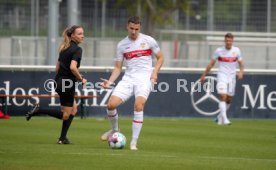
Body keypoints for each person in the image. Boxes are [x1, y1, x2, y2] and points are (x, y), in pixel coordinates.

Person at [100, 16, 164, 150]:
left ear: (139, 27)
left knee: (138, 105)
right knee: (111, 105)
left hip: (145, 78)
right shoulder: (122, 45)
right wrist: (110, 82)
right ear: (127, 27)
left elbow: (160, 58)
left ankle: (133, 143)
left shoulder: (148, 40)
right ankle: (115, 130)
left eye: (136, 29)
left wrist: (155, 72)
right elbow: (118, 67)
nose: (134, 32)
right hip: (128, 78)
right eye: (131, 28)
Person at [26, 25, 87, 144]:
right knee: (65, 115)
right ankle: (39, 109)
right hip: (67, 83)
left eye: (83, 33)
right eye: (79, 34)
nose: (82, 36)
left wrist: (65, 79)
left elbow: (57, 68)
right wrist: (80, 79)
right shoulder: (77, 50)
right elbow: (73, 67)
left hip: (59, 81)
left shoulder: (64, 48)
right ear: (73, 36)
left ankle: (62, 138)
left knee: (73, 110)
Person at [200, 33, 244, 125]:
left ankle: (219, 117)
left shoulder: (237, 51)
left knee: (228, 99)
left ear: (232, 41)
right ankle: (225, 119)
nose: (228, 42)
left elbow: (241, 63)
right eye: (227, 40)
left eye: (230, 40)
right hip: (221, 76)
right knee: (223, 96)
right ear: (224, 41)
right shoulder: (219, 51)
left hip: (232, 77)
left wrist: (241, 72)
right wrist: (204, 75)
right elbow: (211, 64)